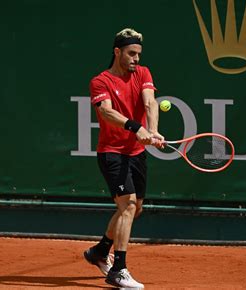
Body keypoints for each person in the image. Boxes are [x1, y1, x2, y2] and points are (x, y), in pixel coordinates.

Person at [83, 28, 163, 289]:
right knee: (127, 206)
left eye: (138, 54)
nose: (136, 59)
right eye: (131, 53)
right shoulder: (100, 81)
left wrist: (152, 130)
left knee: (135, 208)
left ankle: (99, 251)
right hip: (112, 153)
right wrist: (136, 128)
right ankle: (118, 269)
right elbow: (106, 113)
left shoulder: (143, 73)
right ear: (117, 52)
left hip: (136, 154)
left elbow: (150, 103)